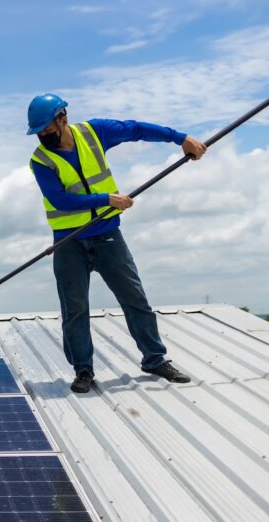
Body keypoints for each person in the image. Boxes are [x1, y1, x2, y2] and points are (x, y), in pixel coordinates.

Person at [26, 94, 207, 393]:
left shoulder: (94, 132)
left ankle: (154, 359)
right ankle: (83, 370)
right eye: (38, 131)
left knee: (135, 299)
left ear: (63, 119)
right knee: (75, 309)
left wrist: (180, 139)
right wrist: (106, 199)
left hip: (108, 235)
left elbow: (135, 129)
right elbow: (59, 199)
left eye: (47, 128)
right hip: (68, 243)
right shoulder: (40, 160)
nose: (43, 135)